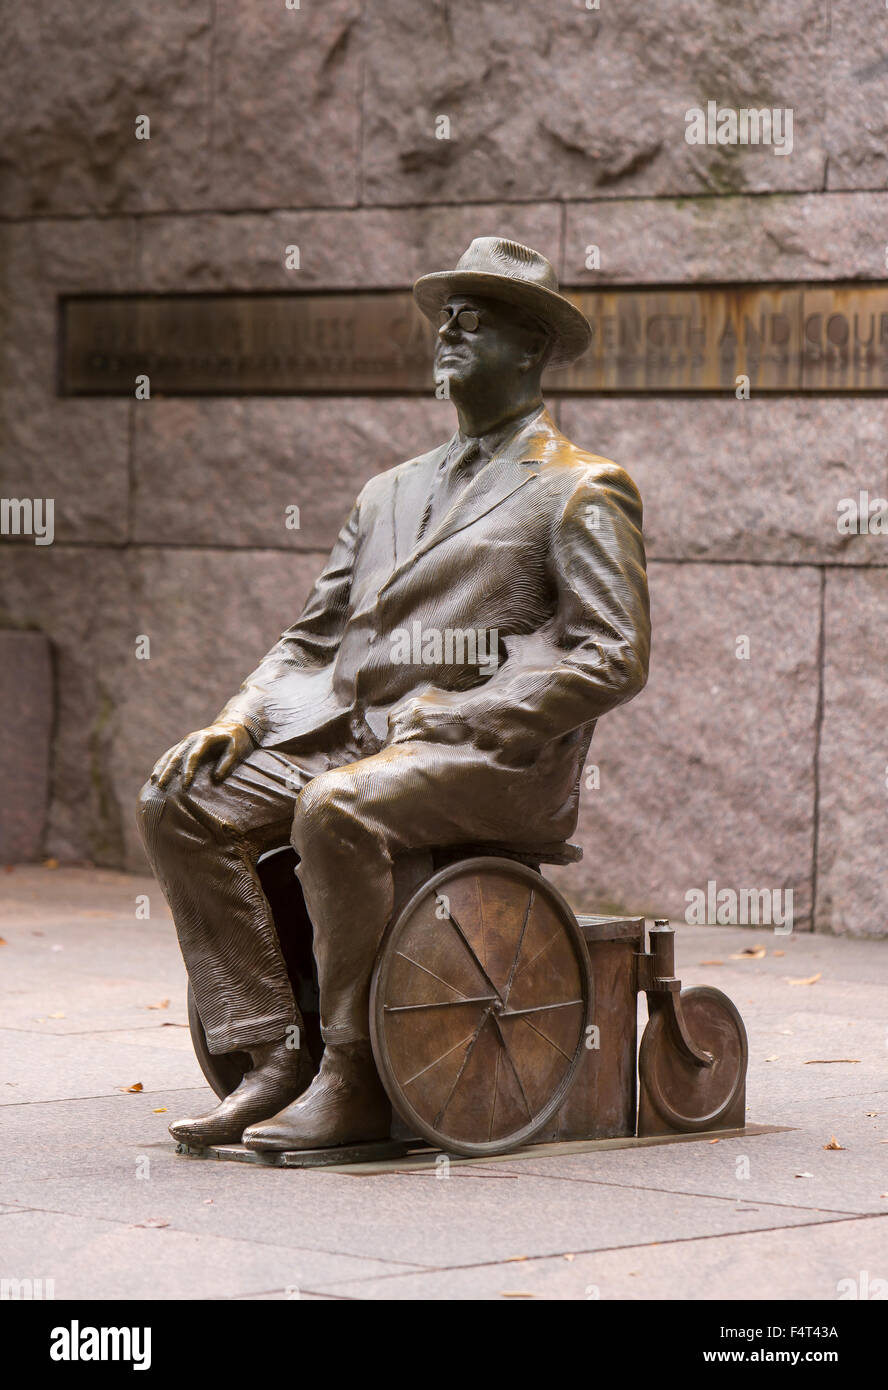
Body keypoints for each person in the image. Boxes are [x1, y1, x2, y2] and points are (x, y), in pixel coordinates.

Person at [137, 237, 651, 1152]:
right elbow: (312, 637)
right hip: (356, 734)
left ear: (533, 349)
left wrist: (466, 712)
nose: (449, 327)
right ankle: (271, 1050)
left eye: (477, 317)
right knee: (178, 798)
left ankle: (358, 1077)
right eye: (445, 314)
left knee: (335, 806)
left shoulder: (580, 489)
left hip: (483, 756)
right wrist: (239, 718)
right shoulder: (386, 491)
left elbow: (613, 655)